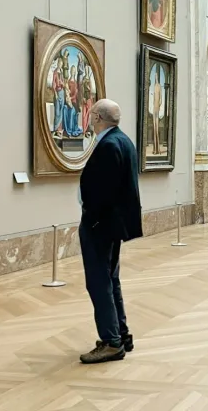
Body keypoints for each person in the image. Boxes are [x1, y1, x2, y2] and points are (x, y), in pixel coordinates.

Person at [77, 99, 143, 364]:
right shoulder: (123, 140)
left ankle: (111, 342)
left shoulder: (108, 145)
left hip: (100, 226)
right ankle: (121, 334)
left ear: (96, 117)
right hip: (112, 226)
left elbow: (103, 192)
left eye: (92, 114)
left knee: (99, 281)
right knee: (110, 279)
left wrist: (91, 219)